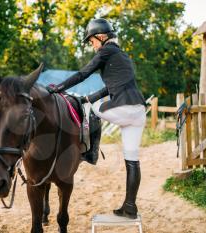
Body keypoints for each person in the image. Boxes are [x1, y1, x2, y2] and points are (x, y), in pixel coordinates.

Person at [46, 18, 146, 219]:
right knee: (132, 160)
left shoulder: (106, 51)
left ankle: (91, 153)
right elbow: (111, 88)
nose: (93, 47)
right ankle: (130, 207)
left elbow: (83, 74)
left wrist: (58, 88)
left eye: (92, 42)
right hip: (138, 112)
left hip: (124, 107)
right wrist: (87, 98)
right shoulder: (123, 56)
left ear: (101, 37)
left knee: (92, 109)